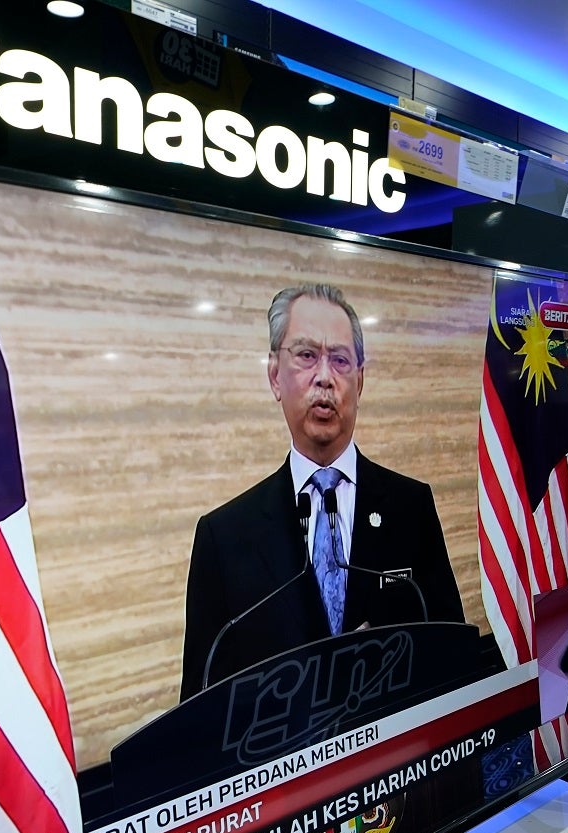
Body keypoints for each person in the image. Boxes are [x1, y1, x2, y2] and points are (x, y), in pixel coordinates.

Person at [180, 283, 464, 697]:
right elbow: (201, 705)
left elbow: (452, 656)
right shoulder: (223, 537)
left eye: (341, 360)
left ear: (360, 382)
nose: (325, 378)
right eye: (307, 356)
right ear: (276, 376)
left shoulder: (411, 507)